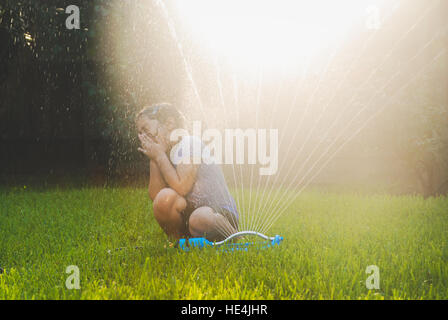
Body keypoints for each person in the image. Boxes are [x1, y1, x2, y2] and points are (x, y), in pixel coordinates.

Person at [136, 103, 239, 241]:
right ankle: (180, 242)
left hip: (217, 214)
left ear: (169, 124)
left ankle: (234, 235)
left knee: (198, 219)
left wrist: (159, 156)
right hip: (192, 216)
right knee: (165, 199)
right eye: (140, 133)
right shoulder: (163, 155)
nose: (143, 138)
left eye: (146, 130)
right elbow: (156, 197)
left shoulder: (189, 144)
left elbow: (183, 187)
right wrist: (154, 159)